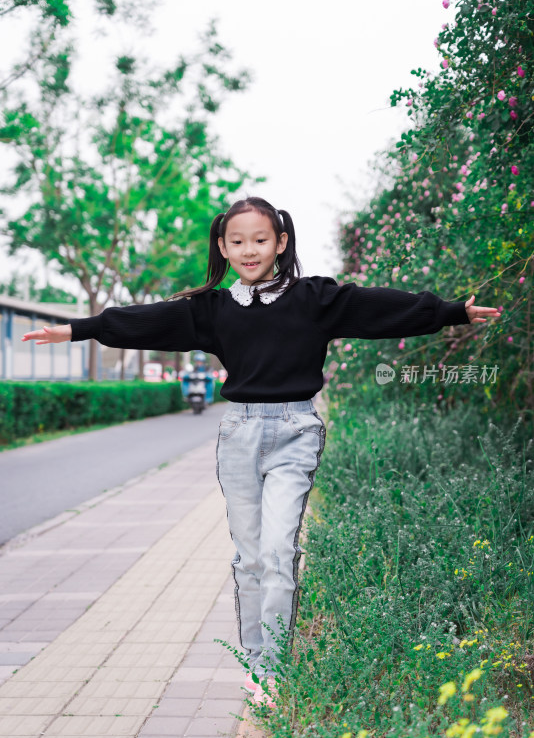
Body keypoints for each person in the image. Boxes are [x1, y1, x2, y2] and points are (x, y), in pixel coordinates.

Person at [21, 196, 500, 708]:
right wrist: (77, 329)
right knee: (249, 558)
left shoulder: (314, 298)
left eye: (260, 239)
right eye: (237, 241)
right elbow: (148, 320)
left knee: (277, 553)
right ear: (223, 248)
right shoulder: (211, 310)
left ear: (281, 243)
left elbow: (376, 307)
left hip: (296, 430)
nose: (249, 250)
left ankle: (273, 671)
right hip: (239, 435)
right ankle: (255, 663)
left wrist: (450, 312)